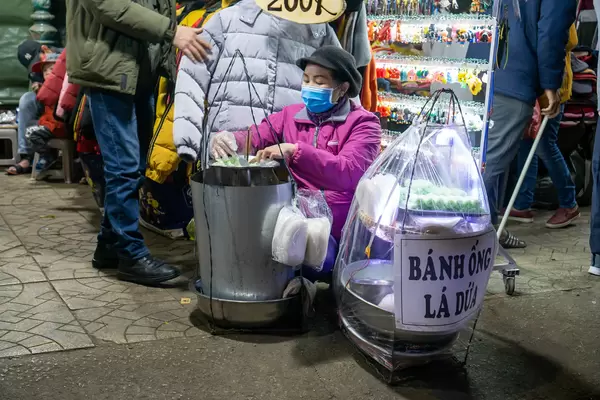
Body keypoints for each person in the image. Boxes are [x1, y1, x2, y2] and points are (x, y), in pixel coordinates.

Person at [65, 0, 212, 285]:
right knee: (124, 166)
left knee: (134, 166)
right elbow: (106, 5)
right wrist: (172, 31)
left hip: (140, 71)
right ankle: (130, 254)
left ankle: (109, 245)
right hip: (108, 70)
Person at [210, 46, 382, 281]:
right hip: (294, 218)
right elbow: (256, 136)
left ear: (342, 89)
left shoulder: (363, 124)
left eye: (319, 82)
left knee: (321, 262)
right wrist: (231, 140)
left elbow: (349, 171)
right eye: (307, 80)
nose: (310, 87)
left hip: (338, 226)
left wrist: (295, 151)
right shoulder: (290, 116)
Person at [172, 0, 341, 162]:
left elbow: (343, 86)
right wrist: (188, 138)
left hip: (292, 154)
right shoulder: (227, 20)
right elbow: (192, 75)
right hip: (228, 149)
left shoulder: (319, 32)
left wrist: (349, 145)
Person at [483, 0, 576, 248]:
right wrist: (550, 85)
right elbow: (551, 30)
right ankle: (468, 239)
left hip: (484, 67)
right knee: (489, 163)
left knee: (489, 159)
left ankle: (489, 230)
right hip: (513, 74)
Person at [508, 24, 580, 229]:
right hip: (531, 84)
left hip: (551, 86)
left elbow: (569, 40)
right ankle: (522, 204)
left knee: (544, 144)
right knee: (526, 142)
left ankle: (569, 203)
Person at [6, 40, 45, 175]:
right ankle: (26, 156)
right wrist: (39, 88)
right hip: (47, 100)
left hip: (64, 100)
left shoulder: (58, 56)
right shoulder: (35, 72)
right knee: (27, 100)